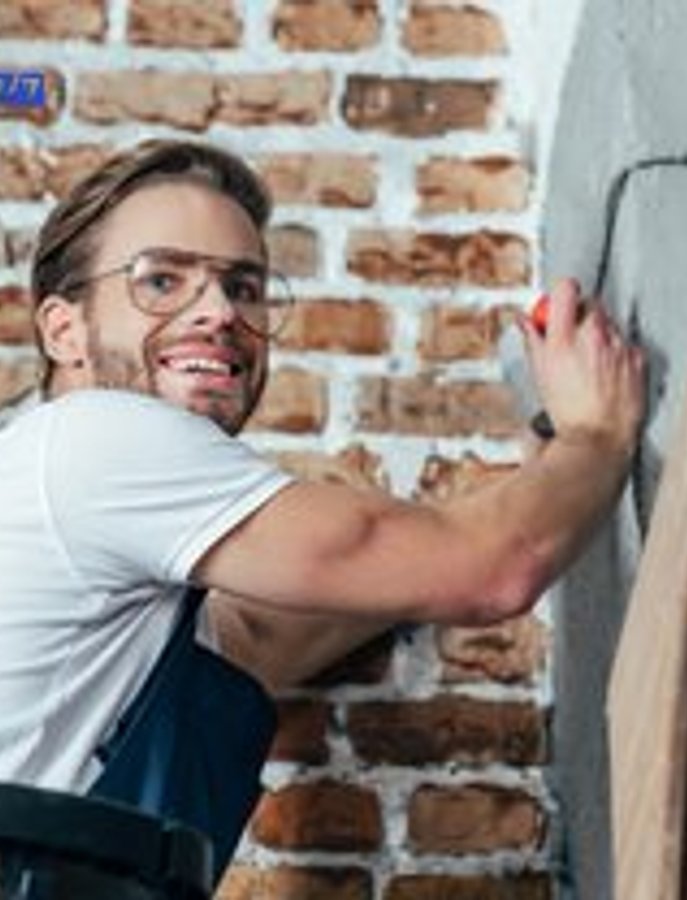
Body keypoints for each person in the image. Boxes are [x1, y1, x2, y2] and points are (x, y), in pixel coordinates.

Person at [0, 139, 645, 878]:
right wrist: (596, 436)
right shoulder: (95, 437)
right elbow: (491, 573)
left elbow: (256, 638)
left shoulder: (72, 518)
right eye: (162, 280)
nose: (217, 311)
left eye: (243, 287)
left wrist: (515, 502)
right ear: (63, 330)